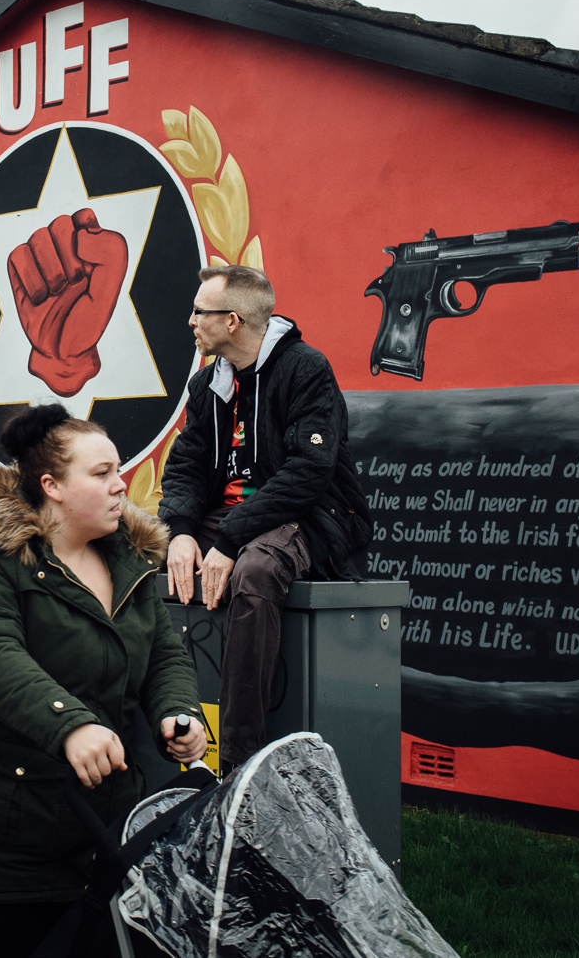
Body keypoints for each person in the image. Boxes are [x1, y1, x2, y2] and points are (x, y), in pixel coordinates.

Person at [0, 404, 207, 958]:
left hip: (92, 831)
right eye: (101, 474)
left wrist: (176, 710)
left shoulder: (130, 562)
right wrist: (70, 725)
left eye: (119, 469)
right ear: (51, 486)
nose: (122, 485)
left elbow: (165, 653)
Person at [159, 264, 371, 775]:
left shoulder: (305, 370)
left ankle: (239, 766)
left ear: (231, 320)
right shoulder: (208, 383)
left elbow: (309, 474)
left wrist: (229, 540)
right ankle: (153, 740)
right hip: (228, 518)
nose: (189, 321)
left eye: (198, 312)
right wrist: (183, 532)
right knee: (138, 555)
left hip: (308, 515)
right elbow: (185, 466)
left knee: (256, 572)